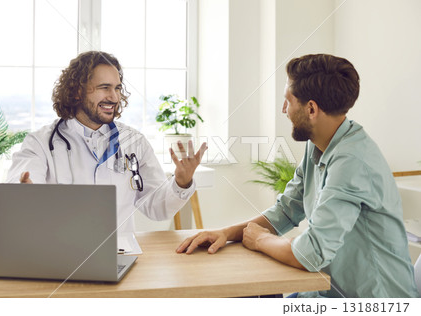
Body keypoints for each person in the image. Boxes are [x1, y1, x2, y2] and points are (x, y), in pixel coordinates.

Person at [176, 54, 420, 298]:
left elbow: (311, 253)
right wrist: (227, 233)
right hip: (326, 293)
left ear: (311, 109)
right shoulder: (320, 143)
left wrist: (260, 240)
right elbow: (286, 210)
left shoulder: (352, 161)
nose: (284, 109)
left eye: (287, 100)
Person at [7, 51, 207, 232]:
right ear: (77, 91)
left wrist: (181, 182)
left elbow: (156, 208)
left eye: (117, 88)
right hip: (62, 257)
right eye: (104, 88)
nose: (114, 97)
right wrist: (24, 195)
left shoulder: (134, 142)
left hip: (120, 254)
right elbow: (20, 191)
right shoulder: (41, 143)